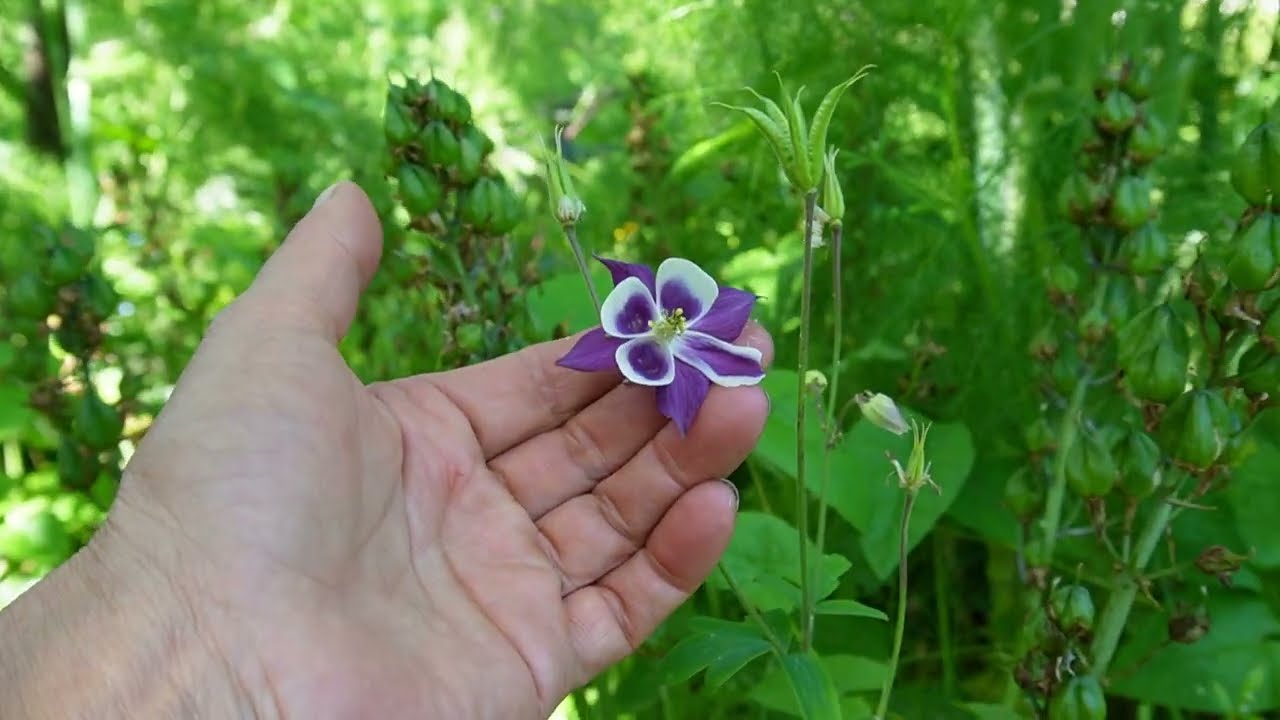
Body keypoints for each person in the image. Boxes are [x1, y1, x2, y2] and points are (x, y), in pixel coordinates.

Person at [0, 182, 772, 719]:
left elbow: (714, 338)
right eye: (665, 319)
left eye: (677, 322)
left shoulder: (689, 347)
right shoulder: (633, 325)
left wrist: (203, 649)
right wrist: (199, 628)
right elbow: (610, 337)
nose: (671, 324)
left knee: (710, 438)